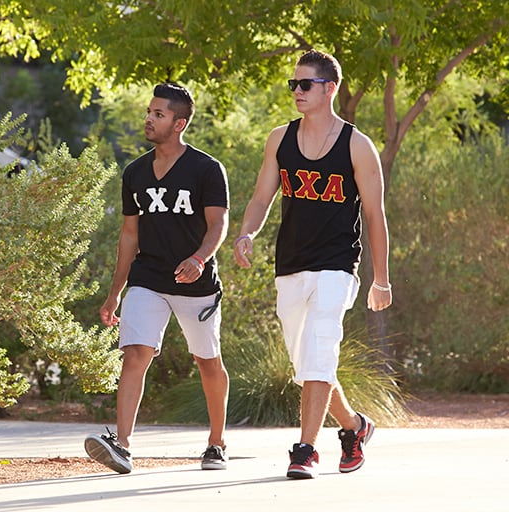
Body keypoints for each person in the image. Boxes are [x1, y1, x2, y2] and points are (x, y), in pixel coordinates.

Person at [234, 49, 392, 480]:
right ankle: (355, 427)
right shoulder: (279, 139)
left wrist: (381, 278)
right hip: (291, 264)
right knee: (308, 365)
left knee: (321, 348)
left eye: (305, 85)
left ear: (330, 88)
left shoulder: (357, 146)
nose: (297, 92)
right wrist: (247, 231)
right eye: (294, 85)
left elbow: (375, 216)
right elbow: (262, 196)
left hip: (338, 265)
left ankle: (304, 450)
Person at [84, 82, 230, 474]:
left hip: (195, 283)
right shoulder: (134, 172)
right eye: (150, 112)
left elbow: (218, 224)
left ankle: (217, 443)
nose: (149, 118)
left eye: (159, 114)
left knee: (207, 362)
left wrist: (200, 258)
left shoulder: (207, 169)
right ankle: (122, 445)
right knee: (135, 354)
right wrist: (115, 293)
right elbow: (129, 235)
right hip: (147, 278)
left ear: (179, 123)